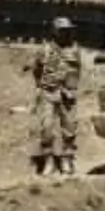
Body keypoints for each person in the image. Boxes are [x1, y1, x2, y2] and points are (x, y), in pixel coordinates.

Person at [31, 17, 82, 176]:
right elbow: (36, 70)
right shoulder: (44, 50)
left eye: (69, 30)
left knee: (69, 128)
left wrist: (71, 88)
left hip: (67, 94)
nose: (67, 34)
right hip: (48, 92)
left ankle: (67, 159)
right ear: (55, 32)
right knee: (46, 128)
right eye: (63, 31)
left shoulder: (74, 50)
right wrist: (42, 86)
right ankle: (48, 160)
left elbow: (77, 71)